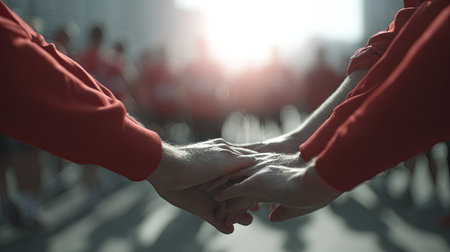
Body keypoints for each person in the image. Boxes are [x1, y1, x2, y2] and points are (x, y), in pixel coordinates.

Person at [0, 1, 256, 234]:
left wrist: (159, 157)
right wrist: (166, 162)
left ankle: (37, 200)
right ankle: (36, 201)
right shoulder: (114, 61)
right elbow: (23, 63)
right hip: (113, 117)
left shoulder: (109, 60)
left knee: (31, 156)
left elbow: (40, 53)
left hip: (109, 118)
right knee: (26, 156)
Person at [211, 0, 450, 223]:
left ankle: (431, 194)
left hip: (373, 115)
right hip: (330, 115)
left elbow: (428, 47)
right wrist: (301, 144)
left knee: (427, 154)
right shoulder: (302, 71)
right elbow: (408, 33)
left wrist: (321, 173)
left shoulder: (296, 70)